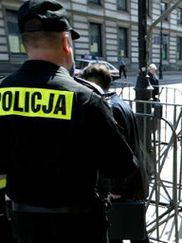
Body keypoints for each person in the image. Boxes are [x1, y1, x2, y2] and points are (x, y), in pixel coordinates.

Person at [0, 1, 137, 242]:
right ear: (66, 42)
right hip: (78, 227)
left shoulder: (2, 92)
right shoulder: (86, 99)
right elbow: (123, 166)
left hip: (22, 226)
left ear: (24, 44)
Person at [81, 64, 150, 243]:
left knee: (120, 232)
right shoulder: (118, 102)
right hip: (132, 180)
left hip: (121, 186)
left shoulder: (109, 107)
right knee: (135, 230)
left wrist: (114, 188)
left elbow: (115, 152)